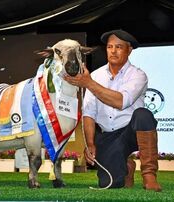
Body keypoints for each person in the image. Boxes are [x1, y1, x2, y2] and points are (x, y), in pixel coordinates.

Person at [64, 29, 162, 192]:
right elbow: (89, 114)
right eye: (110, 47)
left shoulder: (138, 75)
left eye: (119, 47)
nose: (113, 51)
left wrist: (89, 84)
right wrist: (90, 144)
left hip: (131, 131)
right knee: (110, 184)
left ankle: (149, 174)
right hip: (108, 135)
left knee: (143, 115)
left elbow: (121, 101)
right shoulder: (95, 75)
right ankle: (127, 167)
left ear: (129, 50)